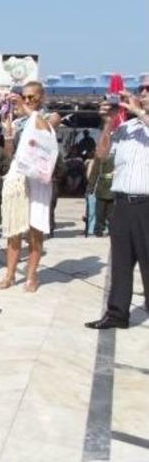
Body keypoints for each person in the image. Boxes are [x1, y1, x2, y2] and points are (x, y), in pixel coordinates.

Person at [85, 76, 149, 330]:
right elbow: (102, 154)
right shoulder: (128, 127)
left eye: (148, 90)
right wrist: (109, 122)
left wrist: (137, 109)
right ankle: (117, 314)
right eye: (141, 89)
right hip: (122, 202)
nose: (143, 93)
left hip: (147, 204)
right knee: (121, 261)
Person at [0, 82, 56, 293]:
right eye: (25, 97)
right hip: (18, 180)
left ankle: (32, 276)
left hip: (38, 181)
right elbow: (10, 153)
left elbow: (44, 127)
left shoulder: (48, 117)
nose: (28, 100)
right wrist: (9, 134)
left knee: (35, 230)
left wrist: (24, 106)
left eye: (32, 97)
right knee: (14, 229)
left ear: (42, 98)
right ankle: (10, 275)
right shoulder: (20, 121)